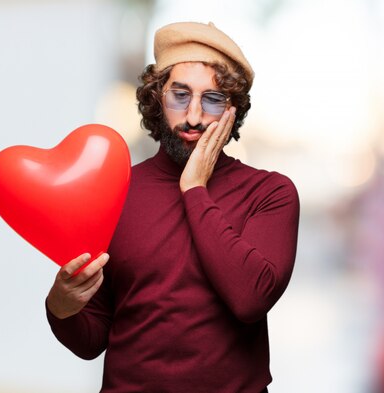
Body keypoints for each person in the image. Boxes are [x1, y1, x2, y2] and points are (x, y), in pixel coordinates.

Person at [45, 21, 300, 392]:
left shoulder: (269, 192)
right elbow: (91, 340)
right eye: (180, 95)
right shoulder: (115, 190)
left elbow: (250, 299)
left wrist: (194, 188)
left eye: (212, 100)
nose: (194, 116)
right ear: (157, 99)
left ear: (232, 110)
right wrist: (60, 306)